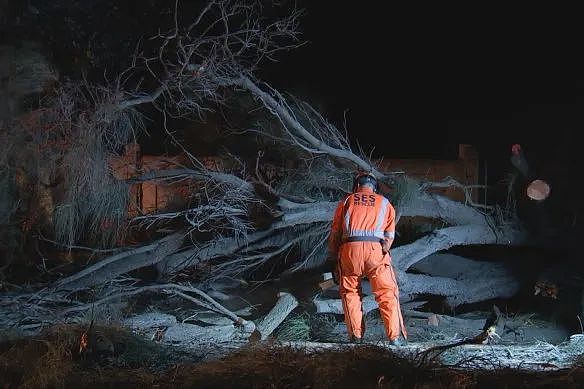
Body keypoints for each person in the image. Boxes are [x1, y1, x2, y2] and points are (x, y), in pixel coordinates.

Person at [327, 172, 407, 345]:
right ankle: (395, 337)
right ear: (374, 187)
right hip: (375, 251)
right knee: (387, 293)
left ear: (356, 186)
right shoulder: (385, 203)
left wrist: (334, 257)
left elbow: (335, 233)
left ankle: (356, 336)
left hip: (350, 251)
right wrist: (383, 251)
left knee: (350, 293)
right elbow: (389, 235)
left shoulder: (346, 202)